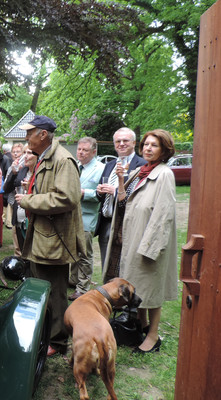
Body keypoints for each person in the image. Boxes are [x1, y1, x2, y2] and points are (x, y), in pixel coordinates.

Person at [14, 115, 85, 357]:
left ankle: (58, 340)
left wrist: (29, 200)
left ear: (43, 134)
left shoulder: (63, 159)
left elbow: (67, 198)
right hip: (44, 236)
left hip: (54, 239)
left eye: (29, 132)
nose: (26, 137)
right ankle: (46, 333)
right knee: (42, 287)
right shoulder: (45, 157)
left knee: (54, 292)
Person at [103, 129, 178, 354]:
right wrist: (121, 180)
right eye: (146, 144)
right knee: (139, 285)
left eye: (154, 145)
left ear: (164, 150)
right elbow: (123, 201)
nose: (148, 148)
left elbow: (164, 214)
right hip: (133, 236)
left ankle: (153, 336)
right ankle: (142, 326)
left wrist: (150, 247)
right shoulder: (140, 171)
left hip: (149, 240)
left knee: (152, 289)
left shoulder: (164, 174)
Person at [96, 127, 146, 267]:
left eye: (125, 140)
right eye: (118, 141)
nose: (121, 144)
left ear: (134, 143)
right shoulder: (109, 165)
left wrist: (116, 191)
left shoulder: (142, 165)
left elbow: (140, 195)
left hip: (125, 223)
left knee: (125, 264)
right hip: (106, 223)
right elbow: (100, 195)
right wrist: (99, 192)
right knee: (106, 265)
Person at [68, 137, 104, 301]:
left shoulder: (100, 168)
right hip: (71, 216)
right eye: (79, 149)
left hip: (87, 217)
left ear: (94, 152)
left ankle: (83, 288)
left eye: (85, 150)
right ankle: (73, 279)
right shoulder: (75, 165)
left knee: (84, 253)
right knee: (73, 251)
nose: (81, 152)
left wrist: (83, 193)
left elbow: (101, 194)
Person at [3, 144, 36, 256]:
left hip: (32, 219)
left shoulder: (39, 172)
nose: (25, 156)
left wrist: (30, 187)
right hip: (19, 218)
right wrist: (13, 173)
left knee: (32, 252)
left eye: (29, 153)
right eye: (24, 152)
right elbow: (6, 189)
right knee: (21, 250)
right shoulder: (22, 170)